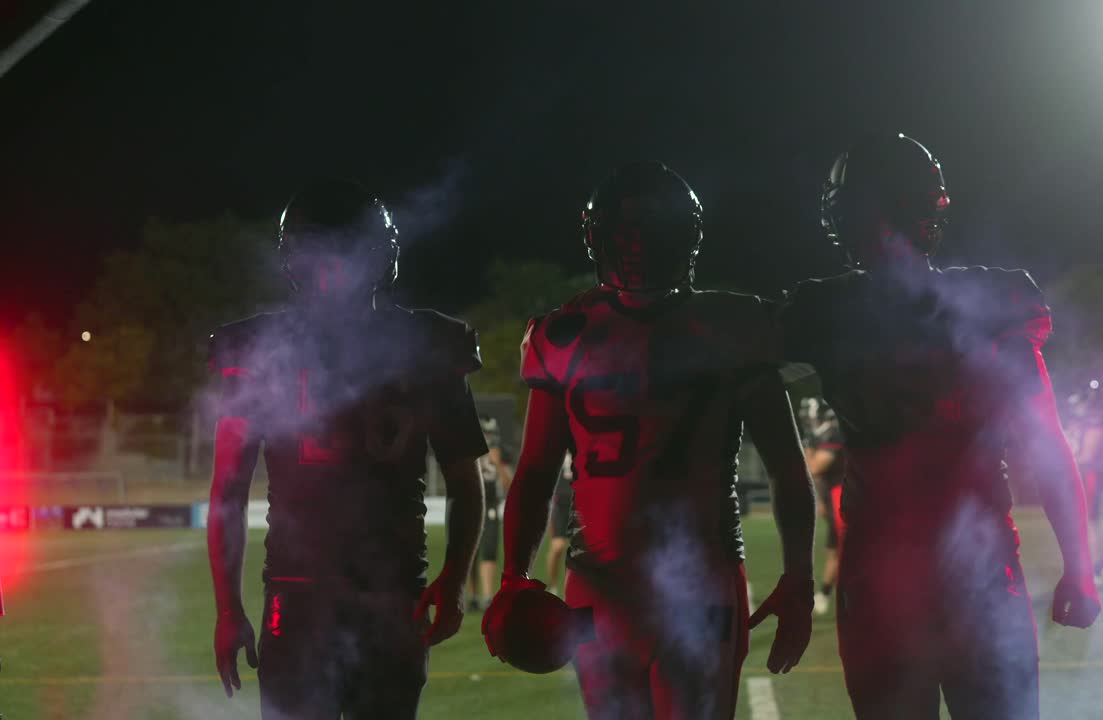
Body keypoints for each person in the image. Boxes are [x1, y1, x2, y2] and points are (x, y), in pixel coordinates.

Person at [778, 133, 1101, 719]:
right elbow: (1046, 445)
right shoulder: (991, 301)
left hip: (885, 584)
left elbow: (734, 374)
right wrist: (1078, 567)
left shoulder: (824, 312)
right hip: (976, 580)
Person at [483, 161, 815, 719]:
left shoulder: (567, 333)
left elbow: (787, 465)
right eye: (625, 235)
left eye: (650, 234)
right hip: (626, 586)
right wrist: (513, 574)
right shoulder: (732, 323)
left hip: (677, 581)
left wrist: (517, 573)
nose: (637, 248)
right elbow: (537, 472)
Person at [207, 179, 487, 719]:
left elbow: (228, 492)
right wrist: (451, 582)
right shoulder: (427, 343)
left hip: (302, 593)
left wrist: (228, 610)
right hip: (387, 588)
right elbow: (465, 481)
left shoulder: (261, 348)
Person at [1064, 380, 1103, 588]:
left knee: (1088, 524)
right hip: (1082, 476)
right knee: (1091, 523)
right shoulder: (1081, 424)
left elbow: (1085, 456)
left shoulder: (1087, 425)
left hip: (1086, 475)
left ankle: (1094, 570)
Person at [803, 402, 845, 616]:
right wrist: (820, 501)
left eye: (814, 420)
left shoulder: (835, 434)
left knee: (844, 553)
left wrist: (809, 447)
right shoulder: (827, 435)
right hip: (835, 503)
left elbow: (814, 469)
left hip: (845, 504)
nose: (811, 424)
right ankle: (825, 595)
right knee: (835, 553)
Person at [468, 417, 514, 610]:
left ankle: (487, 596)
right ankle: (472, 596)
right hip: (470, 504)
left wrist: (499, 464)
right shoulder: (466, 448)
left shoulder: (500, 451)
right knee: (469, 552)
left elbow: (509, 486)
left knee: (489, 548)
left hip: (492, 503)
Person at [544, 450, 575, 598]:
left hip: (579, 498)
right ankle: (553, 587)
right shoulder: (559, 443)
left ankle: (574, 591)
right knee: (558, 546)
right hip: (560, 501)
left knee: (580, 550)